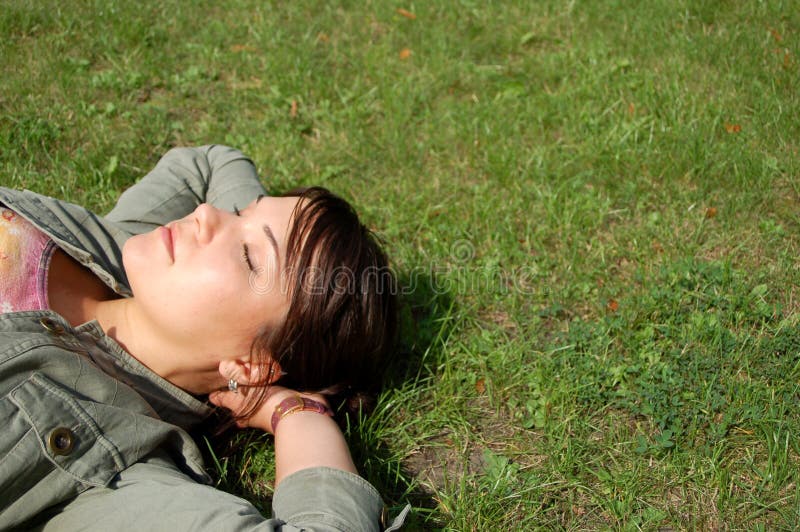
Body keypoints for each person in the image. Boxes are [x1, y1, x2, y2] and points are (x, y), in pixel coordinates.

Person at [0, 145, 409, 531]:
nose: (207, 213)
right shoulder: (112, 245)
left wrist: (296, 412)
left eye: (249, 255)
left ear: (251, 364)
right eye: (241, 212)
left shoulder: (108, 472)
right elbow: (212, 163)